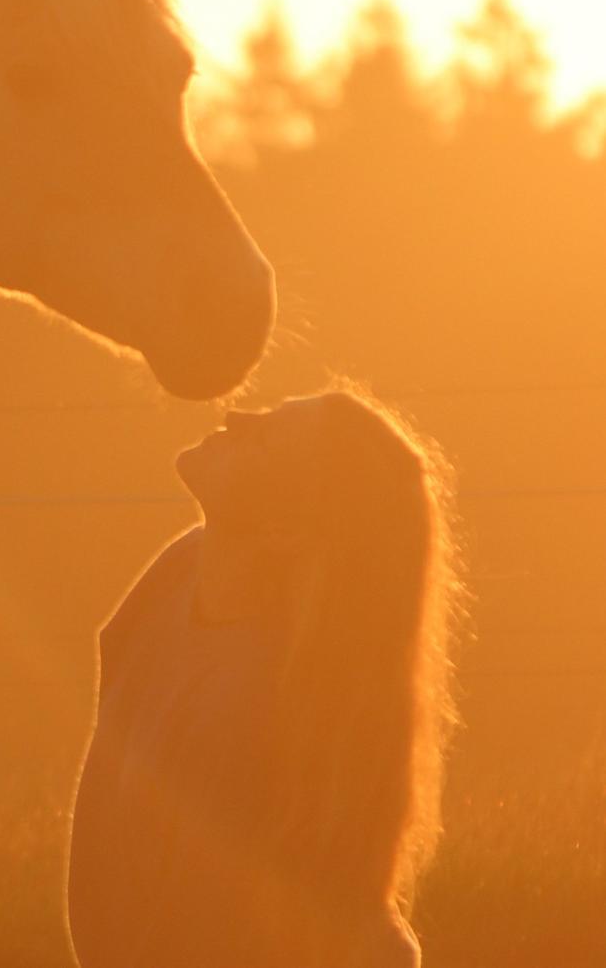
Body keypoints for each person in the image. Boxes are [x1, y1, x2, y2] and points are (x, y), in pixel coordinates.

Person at [67, 390, 461, 967]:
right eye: (269, 413)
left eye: (267, 439)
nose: (237, 415)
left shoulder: (247, 715)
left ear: (283, 531)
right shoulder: (180, 571)